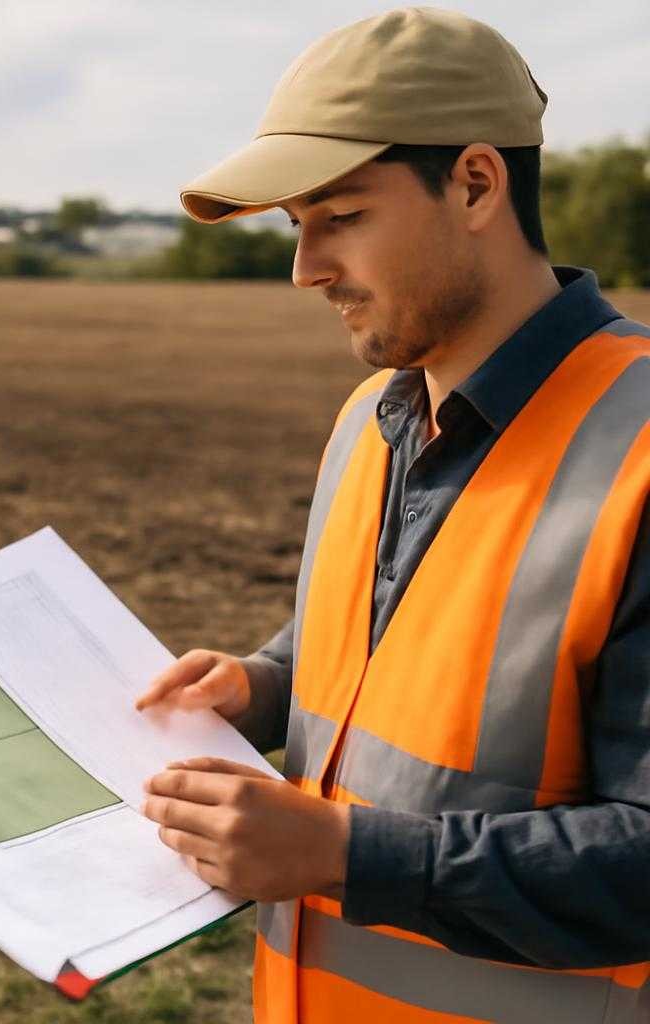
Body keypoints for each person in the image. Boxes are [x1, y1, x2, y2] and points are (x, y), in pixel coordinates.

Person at [135, 8, 650, 1022]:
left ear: (473, 184)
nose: (305, 267)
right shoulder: (370, 425)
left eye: (343, 216)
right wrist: (263, 685)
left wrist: (338, 852)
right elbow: (394, 654)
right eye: (297, 224)